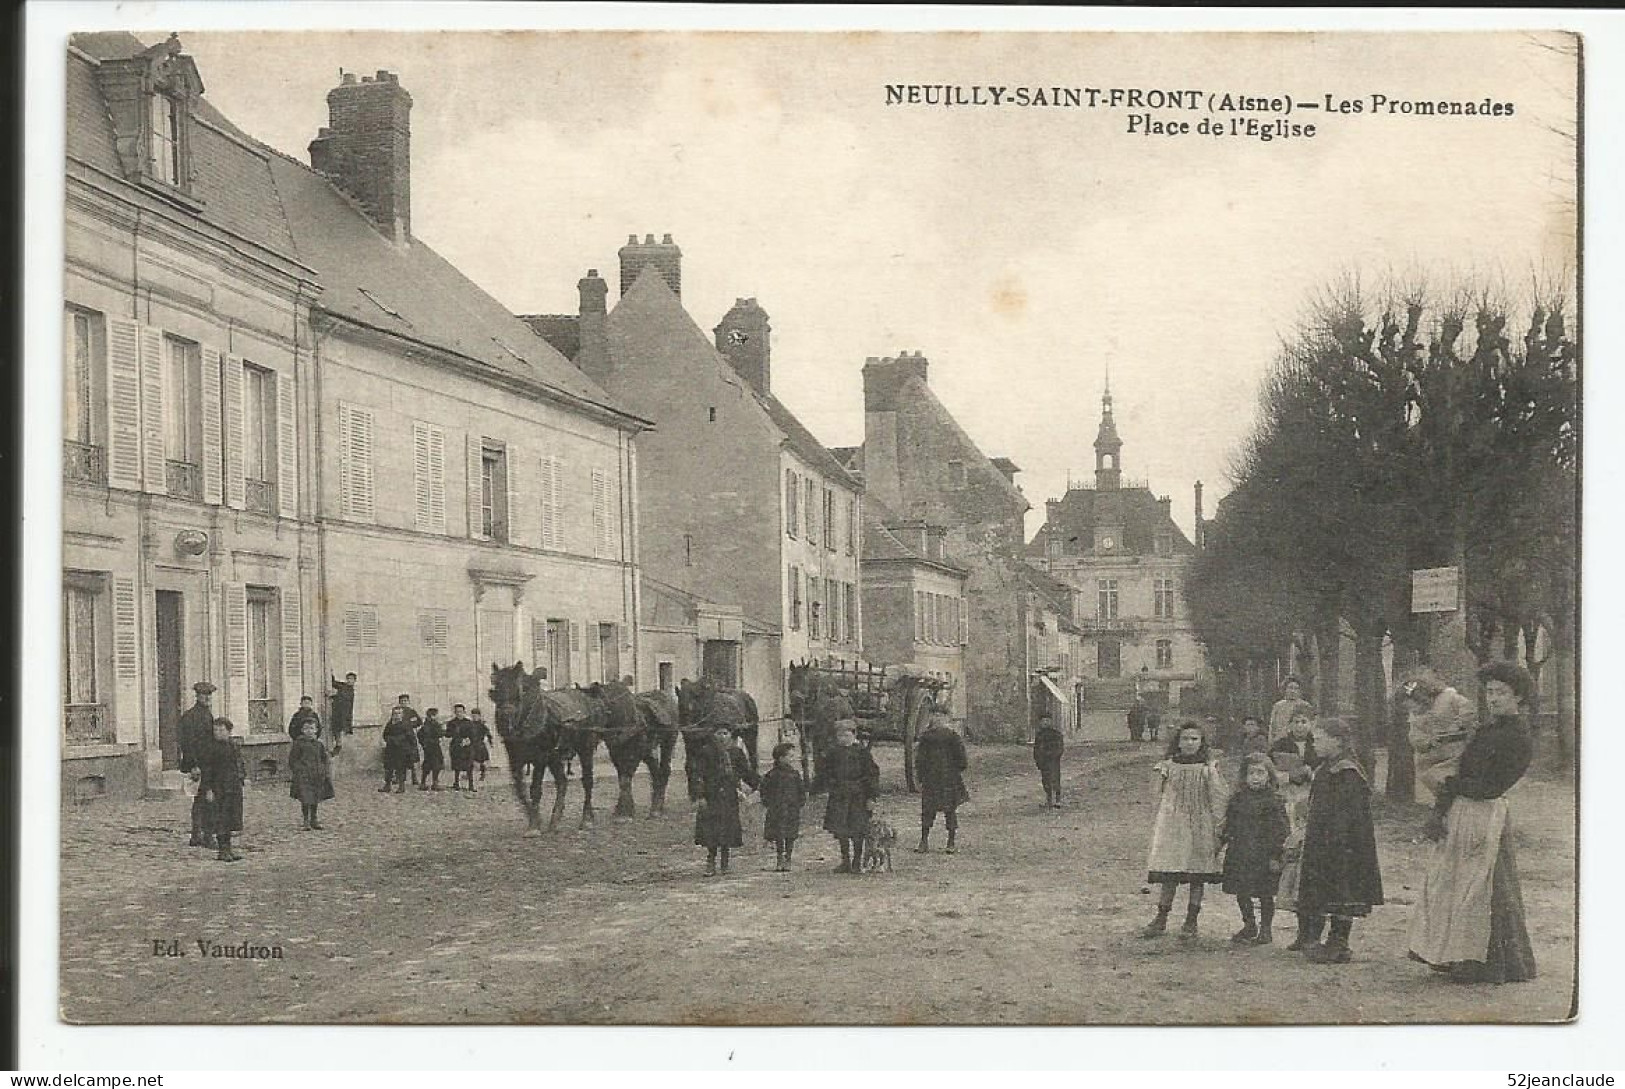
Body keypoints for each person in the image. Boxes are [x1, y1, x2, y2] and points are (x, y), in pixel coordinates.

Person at [1408, 661, 1538, 985]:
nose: (1493, 698)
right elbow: (1463, 770)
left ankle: (1491, 962)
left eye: (1501, 693)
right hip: (1464, 810)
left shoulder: (1516, 736)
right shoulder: (1487, 730)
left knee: (1483, 887)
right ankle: (1457, 955)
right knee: (1454, 883)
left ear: (1518, 697)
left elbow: (1490, 783)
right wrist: (1443, 806)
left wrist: (1456, 786)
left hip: (1485, 814)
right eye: (1490, 692)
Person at [1295, 716, 1384, 964]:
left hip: (1343, 844)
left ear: (1336, 742)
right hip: (1323, 839)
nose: (1314, 745)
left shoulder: (1347, 771)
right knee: (1326, 889)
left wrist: (1336, 839)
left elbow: (1349, 813)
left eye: (1319, 740)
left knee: (1345, 892)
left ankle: (1338, 941)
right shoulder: (1326, 768)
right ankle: (1313, 939)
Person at [1140, 721, 1226, 941]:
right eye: (1185, 739)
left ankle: (1191, 919)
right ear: (1178, 742)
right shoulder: (1167, 766)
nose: (1190, 743)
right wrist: (1160, 819)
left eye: (1194, 739)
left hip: (1200, 823)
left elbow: (1217, 796)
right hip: (1174, 824)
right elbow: (1154, 795)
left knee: (1197, 874)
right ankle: (1161, 916)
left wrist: (1219, 825)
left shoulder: (1208, 768)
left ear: (1202, 742)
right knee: (1171, 871)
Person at [1220, 752, 1290, 944]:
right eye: (1251, 773)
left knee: (1265, 893)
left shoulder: (1274, 801)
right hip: (1240, 852)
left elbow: (1281, 830)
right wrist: (1223, 840)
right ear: (1244, 776)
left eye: (1260, 773)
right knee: (1241, 891)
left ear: (1269, 776)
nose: (1255, 777)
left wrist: (1276, 854)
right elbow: (1229, 823)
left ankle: (1266, 929)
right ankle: (1249, 924)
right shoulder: (1237, 799)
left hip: (1263, 854)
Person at [1270, 705, 1318, 949]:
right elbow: (1270, 773)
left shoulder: (1317, 746)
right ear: (1289, 725)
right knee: (1291, 860)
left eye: (1305, 722)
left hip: (1310, 803)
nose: (1300, 726)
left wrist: (1311, 773)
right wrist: (1290, 776)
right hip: (1289, 802)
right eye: (1296, 722)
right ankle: (1299, 928)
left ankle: (1310, 931)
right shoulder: (1280, 745)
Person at [1398, 669, 1477, 797]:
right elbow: (1414, 737)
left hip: (1457, 749)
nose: (1412, 710)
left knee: (1452, 773)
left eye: (1413, 705)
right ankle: (1444, 796)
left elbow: (1468, 709)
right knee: (1430, 775)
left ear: (1422, 698)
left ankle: (1453, 794)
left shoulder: (1448, 698)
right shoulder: (1416, 718)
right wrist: (1427, 742)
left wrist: (1459, 724)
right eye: (1408, 708)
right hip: (1434, 756)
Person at [693, 726, 760, 876]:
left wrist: (758, 785)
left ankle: (725, 863)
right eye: (719, 733)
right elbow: (698, 776)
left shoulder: (736, 753)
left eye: (725, 733)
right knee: (711, 830)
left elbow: (746, 772)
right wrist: (701, 796)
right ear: (713, 735)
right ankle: (710, 862)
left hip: (729, 797)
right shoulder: (706, 752)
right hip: (712, 797)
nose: (722, 737)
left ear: (730, 735)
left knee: (727, 829)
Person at [816, 719, 880, 874]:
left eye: (846, 735)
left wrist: (871, 797)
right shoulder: (833, 752)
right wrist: (827, 783)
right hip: (839, 795)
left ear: (854, 735)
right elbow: (824, 771)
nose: (843, 738)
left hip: (858, 795)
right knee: (840, 829)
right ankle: (845, 860)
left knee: (857, 829)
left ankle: (857, 861)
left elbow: (872, 775)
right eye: (840, 736)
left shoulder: (862, 753)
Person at [916, 710, 970, 852]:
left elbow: (919, 760)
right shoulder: (940, 738)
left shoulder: (937, 738)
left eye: (940, 716)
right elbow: (962, 761)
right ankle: (937, 842)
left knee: (938, 811)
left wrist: (922, 777)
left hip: (939, 780)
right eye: (937, 716)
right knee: (939, 811)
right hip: (940, 779)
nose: (939, 719)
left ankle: (937, 842)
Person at [198, 717, 246, 862]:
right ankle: (222, 850)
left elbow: (239, 764)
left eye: (221, 730)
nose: (218, 733)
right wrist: (208, 789)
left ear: (229, 732)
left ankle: (229, 848)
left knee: (231, 818)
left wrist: (242, 778)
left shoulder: (233, 746)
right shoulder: (211, 749)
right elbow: (207, 770)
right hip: (218, 788)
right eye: (216, 730)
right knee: (221, 819)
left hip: (232, 787)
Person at [177, 681, 218, 849]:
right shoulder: (190, 717)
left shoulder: (208, 715)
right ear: (197, 696)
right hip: (199, 764)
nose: (207, 698)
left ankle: (198, 835)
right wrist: (193, 765)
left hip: (208, 763)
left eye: (209, 695)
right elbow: (187, 743)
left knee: (202, 800)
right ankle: (204, 836)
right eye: (204, 695)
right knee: (204, 800)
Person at [759, 742, 807, 872]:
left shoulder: (794, 774)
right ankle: (779, 858)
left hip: (792, 809)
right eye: (789, 756)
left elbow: (801, 790)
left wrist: (800, 802)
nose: (792, 759)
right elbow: (764, 790)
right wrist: (767, 802)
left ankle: (788, 859)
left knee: (790, 834)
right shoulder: (771, 775)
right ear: (780, 758)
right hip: (777, 809)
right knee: (778, 834)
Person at [288, 715, 334, 830]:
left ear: (316, 730)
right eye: (307, 728)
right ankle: (306, 820)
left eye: (312, 728)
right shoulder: (299, 743)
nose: (309, 731)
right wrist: (298, 770)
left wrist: (324, 770)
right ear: (303, 730)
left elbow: (324, 758)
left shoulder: (319, 744)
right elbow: (293, 759)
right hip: (304, 775)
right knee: (305, 798)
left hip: (317, 775)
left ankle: (314, 819)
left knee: (315, 797)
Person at [380, 706, 417, 793]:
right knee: (389, 768)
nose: (397, 716)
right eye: (395, 714)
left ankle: (401, 786)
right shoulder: (390, 724)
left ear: (402, 715)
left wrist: (410, 748)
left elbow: (411, 737)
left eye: (399, 713)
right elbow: (385, 734)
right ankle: (387, 785)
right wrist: (389, 740)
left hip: (402, 750)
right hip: (390, 749)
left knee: (401, 768)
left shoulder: (406, 725)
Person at [1033, 712, 1065, 808]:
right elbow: (1036, 749)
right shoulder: (1039, 735)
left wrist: (1054, 756)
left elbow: (1060, 748)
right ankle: (1049, 800)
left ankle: (1058, 800)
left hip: (1053, 761)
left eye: (1047, 721)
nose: (1045, 723)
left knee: (1055, 779)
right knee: (1045, 781)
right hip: (1043, 762)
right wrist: (1037, 759)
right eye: (1043, 721)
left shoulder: (1056, 734)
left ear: (1051, 722)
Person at [1268, 677, 1311, 745]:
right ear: (1285, 689)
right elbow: (1272, 726)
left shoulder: (1305, 705)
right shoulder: (1278, 706)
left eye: (1296, 688)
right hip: (1279, 741)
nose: (1293, 691)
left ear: (1300, 691)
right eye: (1290, 688)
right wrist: (1271, 741)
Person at [446, 704, 476, 791]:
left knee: (469, 766)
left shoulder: (469, 722)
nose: (459, 713)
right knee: (457, 766)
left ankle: (471, 785)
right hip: (456, 746)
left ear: (464, 712)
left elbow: (473, 734)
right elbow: (448, 734)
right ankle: (456, 783)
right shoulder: (451, 723)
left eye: (461, 712)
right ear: (454, 712)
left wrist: (468, 740)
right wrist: (453, 733)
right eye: (457, 712)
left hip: (467, 747)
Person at [395, 695, 423, 785]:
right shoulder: (397, 711)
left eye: (405, 701)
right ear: (399, 702)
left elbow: (419, 721)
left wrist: (411, 724)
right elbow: (393, 721)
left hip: (409, 737)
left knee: (412, 758)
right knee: (399, 758)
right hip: (400, 737)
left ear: (408, 702)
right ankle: (398, 778)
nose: (404, 703)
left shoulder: (411, 711)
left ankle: (414, 778)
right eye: (402, 701)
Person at [417, 708, 446, 791]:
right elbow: (439, 733)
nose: (438, 717)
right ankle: (434, 783)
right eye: (437, 715)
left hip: (428, 747)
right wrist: (443, 729)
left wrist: (423, 744)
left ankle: (423, 783)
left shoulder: (426, 724)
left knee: (428, 764)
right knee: (436, 765)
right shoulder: (433, 724)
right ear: (433, 716)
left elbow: (420, 734)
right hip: (434, 747)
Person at [329, 672, 357, 754]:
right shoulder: (343, 686)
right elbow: (334, 683)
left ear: (354, 681)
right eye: (348, 679)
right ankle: (337, 744)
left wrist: (333, 696)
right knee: (335, 728)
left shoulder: (351, 691)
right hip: (337, 711)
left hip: (344, 713)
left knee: (340, 728)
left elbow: (343, 697)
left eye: (351, 679)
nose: (349, 681)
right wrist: (330, 673)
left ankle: (339, 745)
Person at [469, 707, 492, 781]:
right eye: (473, 716)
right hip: (472, 744)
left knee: (481, 761)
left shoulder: (482, 725)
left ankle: (483, 773)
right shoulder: (470, 724)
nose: (474, 717)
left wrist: (490, 741)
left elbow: (488, 733)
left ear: (479, 716)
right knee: (470, 759)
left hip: (480, 745)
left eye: (476, 716)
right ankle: (469, 774)